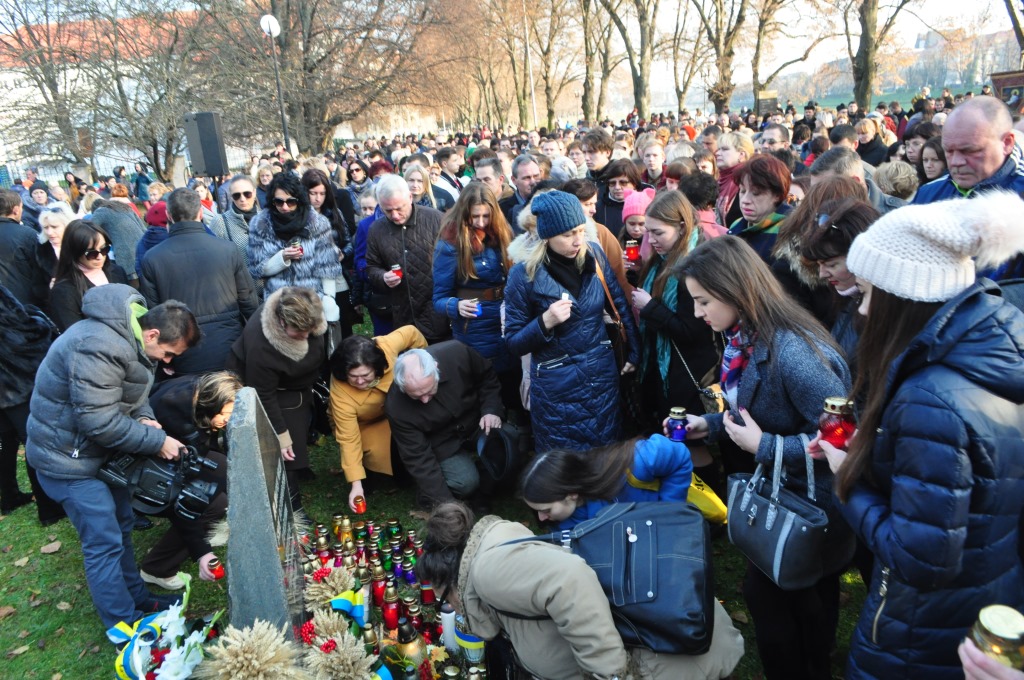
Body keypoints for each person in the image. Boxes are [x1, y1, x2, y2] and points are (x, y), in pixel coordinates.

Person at [821, 191, 1024, 680]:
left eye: (867, 293)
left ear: (902, 297)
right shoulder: (991, 349)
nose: (862, 310)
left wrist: (847, 480)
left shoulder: (930, 400)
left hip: (920, 634)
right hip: (985, 590)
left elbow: (920, 560)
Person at [678, 235, 853, 680]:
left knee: (797, 610)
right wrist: (708, 425)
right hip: (783, 504)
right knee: (781, 604)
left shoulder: (794, 353)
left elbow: (842, 439)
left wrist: (766, 448)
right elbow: (753, 416)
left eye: (703, 301)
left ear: (735, 291)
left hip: (811, 513)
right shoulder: (745, 339)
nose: (697, 313)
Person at [25, 286, 199, 637]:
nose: (167, 362)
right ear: (152, 334)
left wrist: (146, 418)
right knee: (103, 542)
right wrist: (157, 441)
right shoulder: (98, 346)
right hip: (67, 461)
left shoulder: (132, 337)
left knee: (121, 526)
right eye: (168, 354)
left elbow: (131, 393)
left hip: (97, 457)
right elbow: (98, 422)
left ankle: (138, 599)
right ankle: (123, 624)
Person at [418, 502, 744, 680]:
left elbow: (569, 579)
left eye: (444, 598)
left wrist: (609, 674)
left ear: (453, 578)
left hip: (664, 663)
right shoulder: (492, 547)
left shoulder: (487, 572)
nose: (452, 608)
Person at [504, 191, 638, 453]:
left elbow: (619, 304)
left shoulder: (594, 255)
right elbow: (513, 342)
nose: (578, 240)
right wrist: (544, 322)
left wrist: (634, 350)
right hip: (557, 388)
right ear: (547, 236)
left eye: (581, 231)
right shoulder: (523, 274)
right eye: (568, 234)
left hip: (601, 377)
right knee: (565, 463)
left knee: (605, 455)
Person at [630, 191, 719, 485]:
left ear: (682, 227)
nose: (651, 239)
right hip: (668, 368)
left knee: (689, 441)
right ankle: (683, 493)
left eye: (658, 232)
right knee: (675, 438)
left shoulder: (696, 266)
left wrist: (650, 308)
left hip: (691, 371)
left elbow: (693, 331)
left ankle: (709, 497)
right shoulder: (663, 260)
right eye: (648, 232)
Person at [226, 286, 327, 510]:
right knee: (286, 446)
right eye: (298, 333)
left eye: (309, 332)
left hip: (296, 383)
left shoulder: (310, 313)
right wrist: (281, 435)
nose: (305, 337)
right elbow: (264, 394)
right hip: (270, 388)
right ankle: (293, 506)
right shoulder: (262, 347)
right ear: (282, 322)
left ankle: (300, 464)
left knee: (301, 422)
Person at [139, 188, 258, 375]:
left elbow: (153, 312)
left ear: (168, 215)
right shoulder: (227, 249)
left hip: (183, 348)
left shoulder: (152, 258)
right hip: (229, 343)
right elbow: (248, 299)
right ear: (201, 213)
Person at [138, 371, 239, 589]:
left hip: (166, 460)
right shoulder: (176, 418)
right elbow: (185, 499)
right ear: (212, 403)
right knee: (215, 505)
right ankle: (156, 569)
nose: (228, 421)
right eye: (226, 414)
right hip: (144, 479)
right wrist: (202, 551)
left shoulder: (196, 394)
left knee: (222, 470)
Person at [385, 343, 504, 508]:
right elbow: (418, 458)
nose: (424, 400)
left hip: (476, 421)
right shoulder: (395, 406)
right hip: (441, 441)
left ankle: (483, 491)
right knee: (464, 483)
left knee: (507, 443)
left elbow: (487, 378)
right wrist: (446, 505)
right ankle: (431, 494)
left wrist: (491, 409)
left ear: (436, 368)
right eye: (416, 396)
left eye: (429, 391)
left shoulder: (458, 353)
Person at [329, 326, 427, 512]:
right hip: (363, 424)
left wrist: (423, 364)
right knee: (373, 452)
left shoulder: (387, 345)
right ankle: (365, 477)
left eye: (365, 375)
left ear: (376, 366)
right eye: (353, 376)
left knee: (407, 442)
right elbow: (349, 439)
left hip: (395, 412)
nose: (360, 382)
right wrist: (355, 484)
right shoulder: (340, 392)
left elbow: (412, 333)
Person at [521, 434, 692, 529]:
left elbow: (679, 454)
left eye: (546, 510)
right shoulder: (563, 520)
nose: (541, 518)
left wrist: (669, 512)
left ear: (571, 494)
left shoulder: (635, 463)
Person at [432, 183, 513, 377]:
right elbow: (439, 299)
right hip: (475, 327)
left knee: (511, 376)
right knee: (486, 378)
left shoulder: (502, 233)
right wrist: (456, 306)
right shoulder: (450, 244)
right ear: (464, 212)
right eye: (475, 216)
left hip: (506, 319)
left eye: (486, 216)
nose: (481, 222)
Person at [0, 286, 64, 523]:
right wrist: (39, 322)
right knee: (33, 439)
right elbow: (17, 329)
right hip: (13, 380)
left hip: (6, 383)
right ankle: (48, 509)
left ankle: (9, 496)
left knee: (6, 439)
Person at [364, 174, 450, 343]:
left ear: (410, 197)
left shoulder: (435, 219)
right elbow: (371, 267)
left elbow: (455, 260)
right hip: (402, 317)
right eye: (388, 211)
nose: (395, 215)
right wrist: (383, 277)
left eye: (399, 208)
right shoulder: (376, 230)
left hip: (437, 314)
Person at [246, 171, 343, 311]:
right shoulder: (260, 224)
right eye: (279, 202)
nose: (285, 207)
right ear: (272, 201)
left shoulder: (317, 223)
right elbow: (256, 269)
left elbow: (327, 266)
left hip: (311, 303)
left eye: (290, 202)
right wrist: (282, 257)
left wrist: (329, 299)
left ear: (299, 200)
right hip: (278, 305)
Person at [799, 196, 879, 364]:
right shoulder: (846, 299)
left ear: (861, 256)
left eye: (831, 264)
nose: (822, 274)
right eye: (818, 264)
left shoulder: (880, 315)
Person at [48, 220, 130, 332]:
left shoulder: (117, 271)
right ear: (75, 253)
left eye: (104, 249)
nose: (100, 257)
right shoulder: (64, 291)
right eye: (92, 253)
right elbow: (74, 334)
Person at [725, 155, 792, 264]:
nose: (745, 200)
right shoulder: (736, 225)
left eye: (756, 193)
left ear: (777, 195)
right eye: (742, 191)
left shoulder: (789, 229)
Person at [210, 174, 263, 299]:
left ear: (254, 192)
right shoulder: (221, 222)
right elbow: (217, 264)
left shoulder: (267, 218)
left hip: (271, 293)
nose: (242, 199)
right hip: (242, 297)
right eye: (236, 195)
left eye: (247, 194)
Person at [714, 131, 754, 228]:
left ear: (741, 154)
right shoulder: (720, 180)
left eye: (724, 149)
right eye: (718, 149)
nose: (717, 153)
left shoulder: (749, 180)